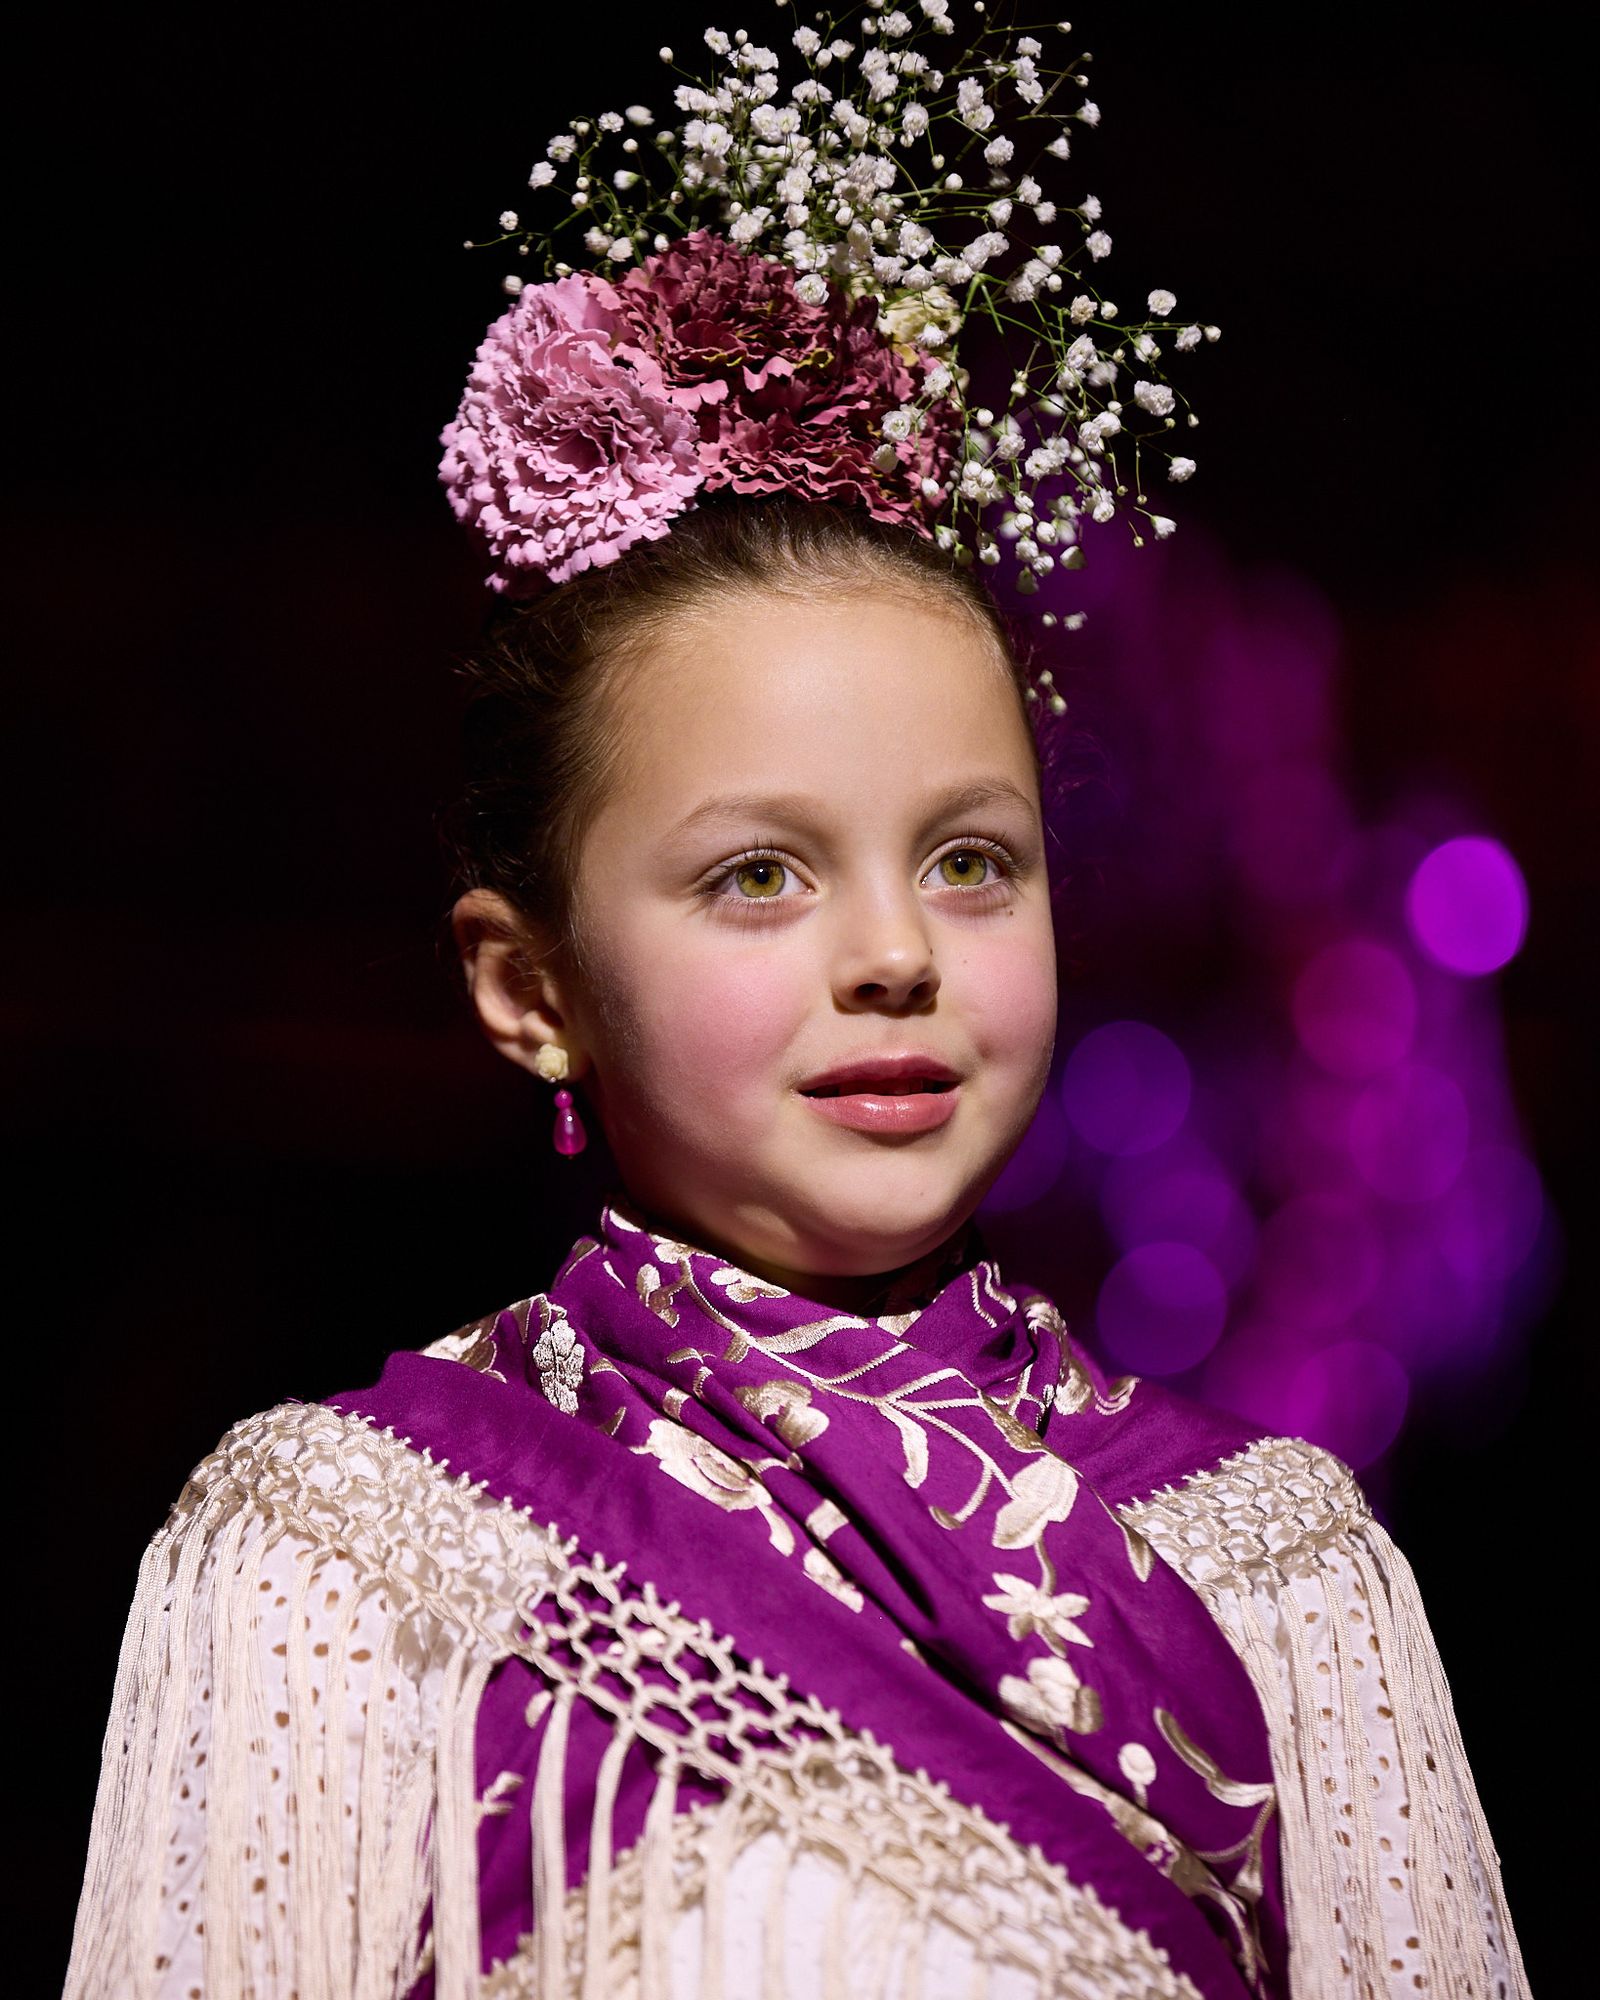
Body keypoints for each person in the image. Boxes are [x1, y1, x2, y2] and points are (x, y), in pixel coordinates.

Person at [64, 13, 1527, 2000]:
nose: (894, 953)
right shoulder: (339, 1564)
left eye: (967, 859)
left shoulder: (1269, 1569)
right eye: (757, 872)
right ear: (529, 986)